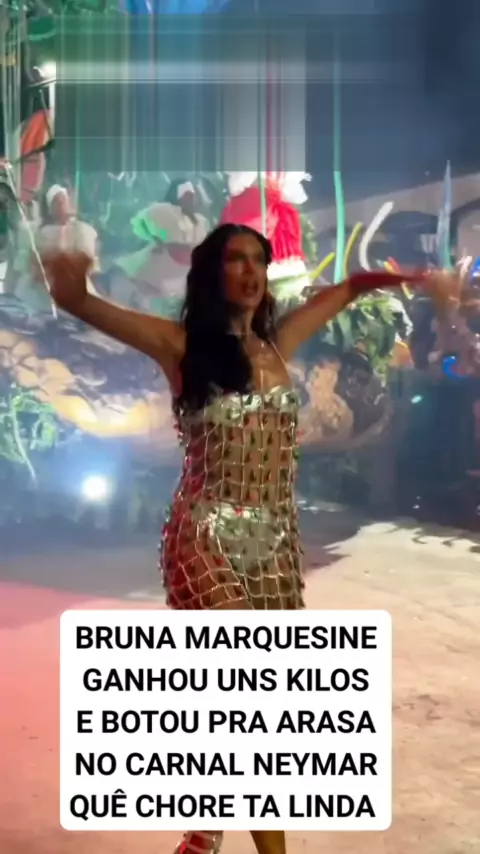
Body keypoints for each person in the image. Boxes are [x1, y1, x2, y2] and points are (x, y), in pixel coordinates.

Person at [42, 223, 423, 854]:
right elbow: (84, 305)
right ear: (212, 273)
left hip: (275, 547)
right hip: (205, 534)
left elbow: (350, 288)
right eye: (236, 260)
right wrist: (71, 284)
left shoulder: (278, 345)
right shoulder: (180, 345)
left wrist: (415, 278)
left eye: (259, 261)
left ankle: (203, 831)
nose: (250, 272)